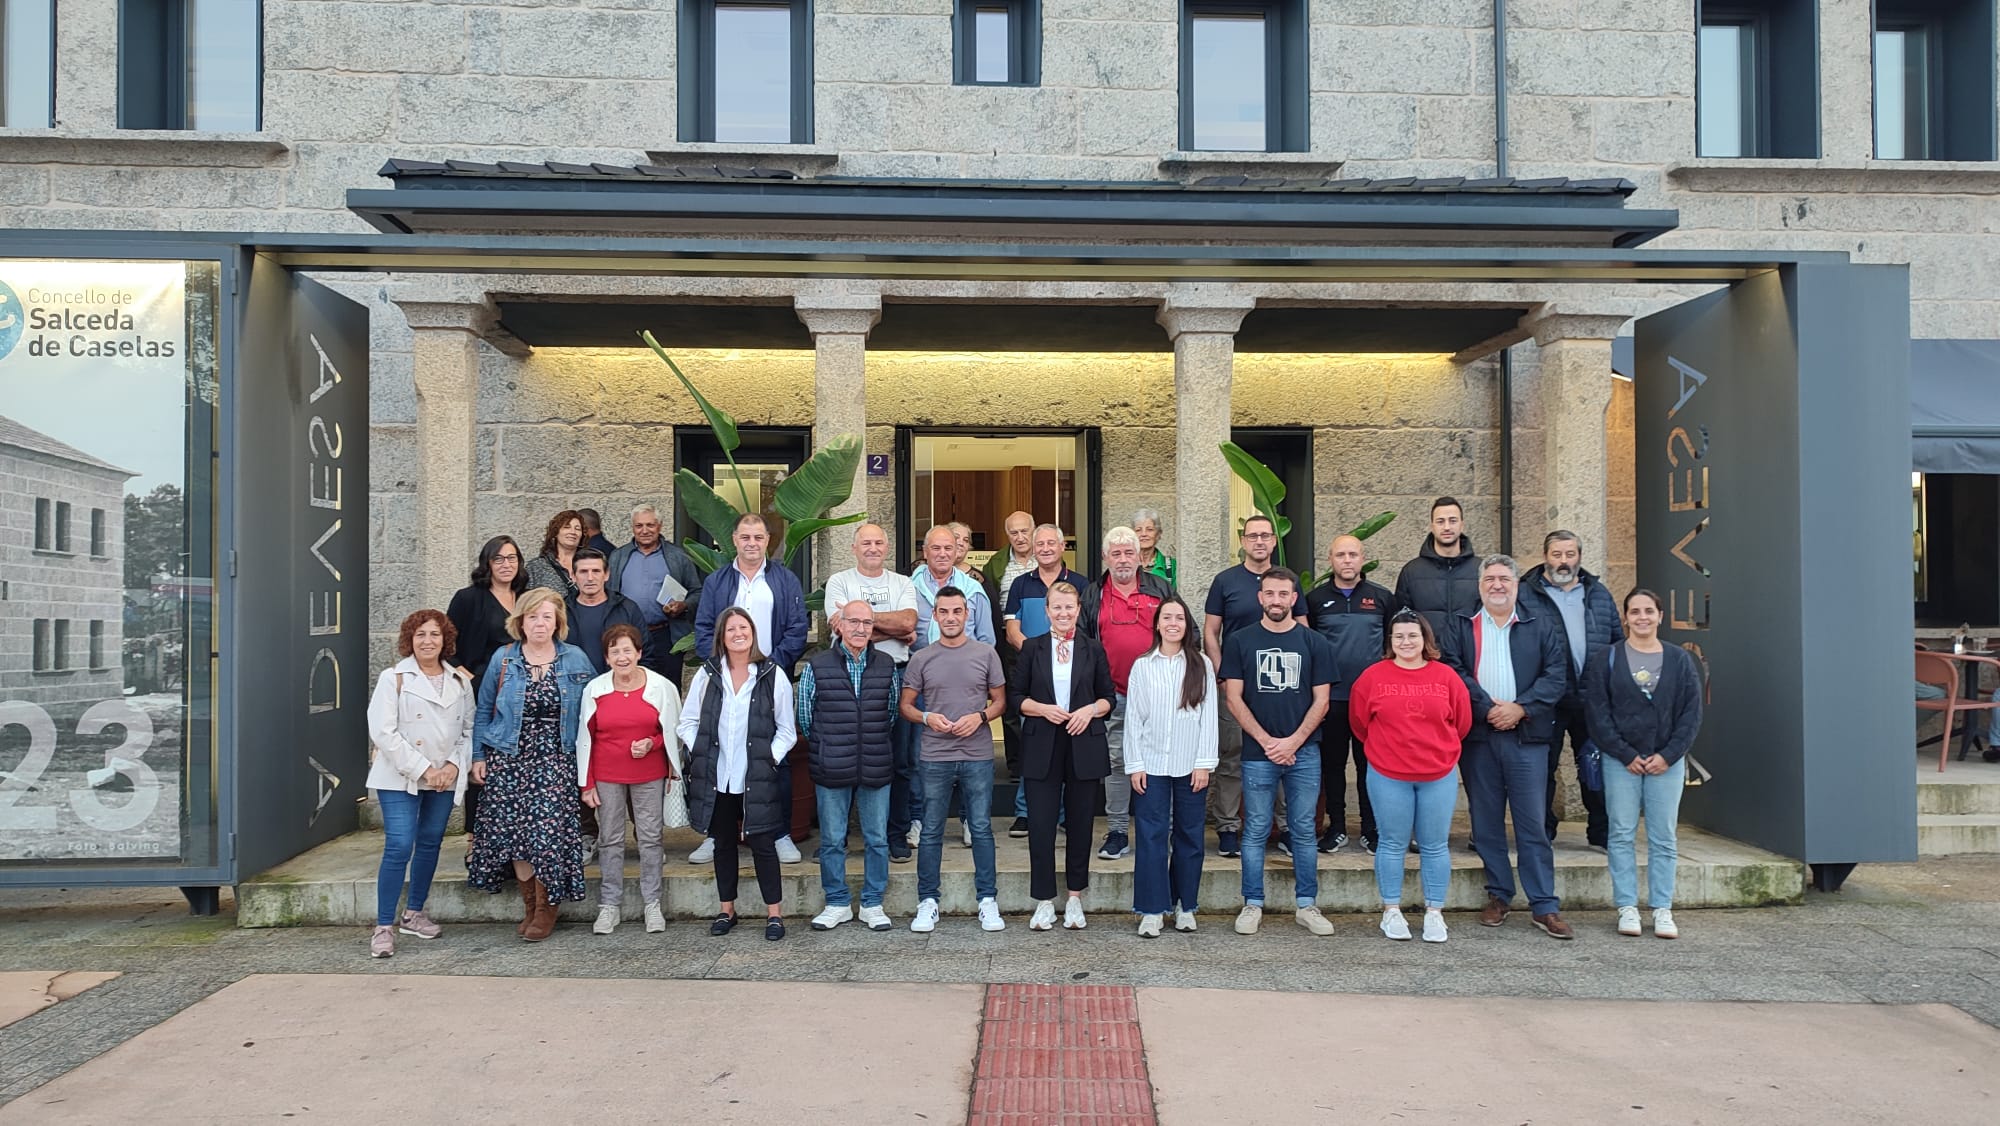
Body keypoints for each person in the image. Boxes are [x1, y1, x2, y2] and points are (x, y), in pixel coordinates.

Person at [1440, 555, 1573, 939]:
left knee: (1532, 823)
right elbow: (1453, 670)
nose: (1497, 585)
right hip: (1480, 737)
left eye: (1504, 579)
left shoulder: (1540, 624)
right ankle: (1499, 895)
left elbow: (1556, 675)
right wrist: (1487, 709)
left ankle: (1544, 905)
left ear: (1516, 584)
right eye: (1490, 579)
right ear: (1480, 585)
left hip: (1526, 737)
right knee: (1486, 824)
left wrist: (1520, 708)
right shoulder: (1462, 624)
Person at [468, 588, 596, 942]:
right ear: (520, 621)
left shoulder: (575, 659)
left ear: (558, 622)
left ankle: (546, 909)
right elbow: (483, 709)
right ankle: (529, 907)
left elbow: (592, 712)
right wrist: (478, 756)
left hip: (555, 758)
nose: (540, 624)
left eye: (547, 617)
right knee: (516, 837)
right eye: (533, 617)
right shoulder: (504, 658)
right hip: (510, 758)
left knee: (546, 836)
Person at [1219, 567, 1336, 937]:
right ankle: (1252, 903)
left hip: (1304, 753)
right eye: (1269, 594)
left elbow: (1322, 701)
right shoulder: (1240, 641)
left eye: (1283, 594)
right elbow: (1232, 697)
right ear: (1260, 598)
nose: (1276, 601)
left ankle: (1307, 905)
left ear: (1293, 598)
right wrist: (1268, 741)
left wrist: (1292, 742)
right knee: (1253, 830)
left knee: (1302, 829)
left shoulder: (1314, 643)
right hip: (1257, 753)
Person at [1584, 589, 1704, 940]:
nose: (1642, 617)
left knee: (1663, 836)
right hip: (1622, 762)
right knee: (1620, 834)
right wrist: (1624, 754)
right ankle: (1627, 907)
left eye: (1649, 611)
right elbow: (1597, 713)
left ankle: (1662, 908)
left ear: (1660, 616)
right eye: (1634, 611)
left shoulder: (1680, 660)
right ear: (1625, 617)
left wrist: (1669, 755)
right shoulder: (1607, 658)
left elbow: (1691, 713)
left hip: (1667, 763)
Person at [692, 513, 809, 865]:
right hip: (725, 679)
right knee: (719, 755)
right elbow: (703, 628)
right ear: (734, 539)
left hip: (768, 680)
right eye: (745, 537)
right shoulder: (717, 581)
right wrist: (720, 667)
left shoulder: (784, 580)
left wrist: (770, 667)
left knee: (776, 756)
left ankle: (781, 833)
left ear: (768, 541)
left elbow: (797, 628)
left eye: (758, 537)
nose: (752, 543)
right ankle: (716, 835)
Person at [1348, 610, 1472, 944]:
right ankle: (1391, 911)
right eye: (1398, 636)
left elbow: (1461, 722)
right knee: (1391, 843)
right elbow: (1360, 723)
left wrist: (1437, 750)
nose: (1406, 642)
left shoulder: (1446, 677)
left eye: (1412, 636)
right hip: (1388, 773)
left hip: (1437, 773)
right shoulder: (1372, 677)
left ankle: (1434, 913)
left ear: (1425, 640)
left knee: (1435, 845)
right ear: (1390, 642)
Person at [679, 606, 799, 941]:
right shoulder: (707, 674)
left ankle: (774, 915)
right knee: (723, 845)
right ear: (722, 635)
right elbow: (687, 722)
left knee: (763, 844)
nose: (737, 634)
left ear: (753, 633)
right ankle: (726, 909)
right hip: (717, 777)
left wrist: (768, 759)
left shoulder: (771, 674)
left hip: (755, 777)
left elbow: (787, 731)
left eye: (743, 627)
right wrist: (702, 750)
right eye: (730, 629)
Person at [365, 609, 475, 958]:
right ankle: (384, 926)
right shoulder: (393, 678)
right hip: (400, 776)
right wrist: (425, 769)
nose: (428, 641)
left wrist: (454, 767)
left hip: (444, 776)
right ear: (409, 640)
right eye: (420, 635)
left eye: (434, 635)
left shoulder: (460, 681)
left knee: (429, 843)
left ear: (446, 640)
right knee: (399, 844)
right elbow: (383, 731)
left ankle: (414, 913)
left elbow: (469, 730)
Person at [901, 586, 1008, 933]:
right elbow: (906, 705)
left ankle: (987, 900)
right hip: (935, 755)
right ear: (934, 615)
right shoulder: (921, 658)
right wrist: (927, 717)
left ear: (968, 614)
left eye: (957, 611)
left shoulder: (986, 653)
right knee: (931, 830)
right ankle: (928, 901)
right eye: (943, 612)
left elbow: (1000, 702)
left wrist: (980, 717)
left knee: (980, 828)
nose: (950, 617)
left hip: (977, 753)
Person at [1012, 582, 1116, 931]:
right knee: (1040, 825)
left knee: (1081, 824)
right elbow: (1015, 697)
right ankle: (1043, 900)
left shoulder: (1093, 648)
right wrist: (1042, 709)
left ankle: (1074, 897)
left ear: (1078, 610)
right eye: (1057, 607)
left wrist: (1090, 710)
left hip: (1083, 741)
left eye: (1069, 607)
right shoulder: (1031, 648)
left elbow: (1108, 698)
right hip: (1043, 742)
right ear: (1046, 611)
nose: (1063, 613)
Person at [1202, 514, 1303, 858]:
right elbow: (1210, 632)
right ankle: (1228, 827)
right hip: (1237, 686)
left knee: (1279, 754)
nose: (1259, 542)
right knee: (1231, 756)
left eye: (1265, 536)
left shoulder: (1286, 581)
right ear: (1243, 542)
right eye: (1252, 536)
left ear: (1274, 541)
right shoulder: (1226, 581)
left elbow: (1302, 631)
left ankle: (1286, 827)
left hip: (1280, 686)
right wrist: (1222, 671)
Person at [799, 600, 902, 932]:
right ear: (838, 625)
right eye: (854, 621)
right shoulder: (817, 665)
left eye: (867, 623)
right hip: (831, 763)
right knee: (831, 839)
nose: (861, 629)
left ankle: (873, 903)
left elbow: (891, 713)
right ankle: (837, 902)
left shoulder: (886, 664)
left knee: (877, 838)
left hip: (874, 760)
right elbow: (805, 716)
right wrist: (828, 744)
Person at [1519, 530, 1622, 848]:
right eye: (1557, 554)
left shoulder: (1598, 593)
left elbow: (1617, 641)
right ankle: (1543, 832)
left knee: (1595, 766)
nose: (1563, 562)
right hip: (1544, 698)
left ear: (1579, 556)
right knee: (1542, 768)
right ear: (1545, 555)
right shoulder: (1525, 593)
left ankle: (1601, 833)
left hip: (1592, 698)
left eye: (1570, 554)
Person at [824, 524, 918, 869]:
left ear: (887, 546)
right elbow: (839, 629)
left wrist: (860, 619)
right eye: (866, 542)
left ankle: (897, 833)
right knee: (846, 757)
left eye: (879, 541)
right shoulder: (838, 581)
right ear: (853, 547)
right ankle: (844, 837)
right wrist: (885, 627)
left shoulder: (901, 583)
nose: (873, 547)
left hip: (895, 673)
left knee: (900, 759)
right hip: (847, 676)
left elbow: (909, 623)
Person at [578, 624, 681, 936]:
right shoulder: (594, 690)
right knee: (610, 840)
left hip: (648, 774)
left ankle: (652, 904)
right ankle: (609, 906)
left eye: (627, 650)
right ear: (607, 658)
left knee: (651, 839)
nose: (622, 657)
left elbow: (673, 731)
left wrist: (653, 744)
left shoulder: (661, 687)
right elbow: (586, 738)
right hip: (607, 774)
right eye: (614, 651)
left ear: (638, 653)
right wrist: (588, 783)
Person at [1124, 596, 1217, 937]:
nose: (1173, 623)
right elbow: (1133, 719)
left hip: (1191, 765)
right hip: (1152, 765)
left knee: (1190, 836)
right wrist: (1135, 765)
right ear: (1158, 624)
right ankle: (1151, 908)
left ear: (1186, 624)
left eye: (1179, 617)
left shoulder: (1201, 665)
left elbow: (1208, 718)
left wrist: (1204, 763)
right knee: (1151, 836)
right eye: (1167, 617)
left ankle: (1185, 905)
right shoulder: (1143, 665)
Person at [1077, 526, 1170, 860]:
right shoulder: (1092, 595)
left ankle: (1159, 829)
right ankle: (1117, 831)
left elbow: (1186, 631)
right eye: (1115, 553)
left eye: (1128, 552)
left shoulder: (1161, 589)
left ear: (1139, 556)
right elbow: (1082, 647)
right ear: (1105, 557)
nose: (1122, 559)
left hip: (1158, 695)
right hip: (1112, 695)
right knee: (1117, 763)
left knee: (1160, 761)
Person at [903, 525, 997, 857]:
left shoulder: (973, 590)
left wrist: (982, 686)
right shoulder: (908, 587)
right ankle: (919, 819)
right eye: (935, 548)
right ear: (925, 551)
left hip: (965, 687)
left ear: (958, 552)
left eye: (948, 548)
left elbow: (987, 639)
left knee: (968, 757)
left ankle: (970, 820)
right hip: (924, 685)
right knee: (921, 758)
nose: (942, 554)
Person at [1304, 534, 1395, 855]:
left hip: (1372, 701)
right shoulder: (1314, 600)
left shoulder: (1382, 598)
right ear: (1330, 559)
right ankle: (1338, 827)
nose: (1347, 560)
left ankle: (1371, 829)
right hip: (1330, 699)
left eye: (1352, 554)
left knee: (1370, 765)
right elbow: (1308, 647)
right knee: (1332, 766)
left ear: (1362, 558)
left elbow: (1393, 645)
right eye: (1340, 554)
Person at [1004, 523, 1088, 834]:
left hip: (1073, 678)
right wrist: (1041, 654)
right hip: (1036, 677)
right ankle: (1026, 812)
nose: (1045, 548)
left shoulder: (1080, 583)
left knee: (1070, 751)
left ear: (1063, 546)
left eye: (1051, 543)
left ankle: (1065, 814)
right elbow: (1012, 629)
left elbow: (1086, 629)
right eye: (1040, 544)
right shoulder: (1020, 584)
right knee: (1033, 749)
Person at [446, 535, 527, 848]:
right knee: (482, 762)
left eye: (512, 558)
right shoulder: (469, 598)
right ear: (487, 564)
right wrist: (464, 672)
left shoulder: (527, 598)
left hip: (523, 691)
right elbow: (447, 640)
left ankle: (513, 839)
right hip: (483, 690)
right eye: (499, 559)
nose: (506, 565)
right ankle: (474, 839)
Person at [605, 503, 702, 687]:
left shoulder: (677, 556)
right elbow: (609, 594)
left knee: (668, 688)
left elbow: (697, 592)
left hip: (665, 634)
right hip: (628, 636)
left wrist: (683, 605)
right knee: (629, 687)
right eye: (639, 526)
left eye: (650, 525)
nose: (644, 530)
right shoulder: (618, 557)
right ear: (632, 528)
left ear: (659, 526)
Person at [994, 510, 1038, 834]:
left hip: (1048, 650)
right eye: (1014, 532)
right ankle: (1016, 765)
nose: (1020, 537)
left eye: (1025, 531)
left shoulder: (1052, 561)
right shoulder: (998, 564)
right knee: (1014, 709)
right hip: (1009, 645)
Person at [1394, 497, 1482, 638]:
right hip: (1428, 657)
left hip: (1471, 656)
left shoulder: (1481, 570)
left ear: (1462, 525)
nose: (1447, 527)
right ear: (1432, 526)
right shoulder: (1411, 572)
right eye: (1440, 521)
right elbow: (1402, 620)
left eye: (1453, 521)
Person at [566, 550, 652, 677]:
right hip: (572, 688)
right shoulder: (561, 611)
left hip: (618, 686)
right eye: (583, 572)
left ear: (606, 575)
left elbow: (646, 653)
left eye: (596, 571)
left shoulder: (627, 608)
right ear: (573, 576)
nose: (590, 578)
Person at [525, 509, 585, 598]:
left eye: (577, 529)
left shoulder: (589, 565)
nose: (573, 532)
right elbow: (526, 602)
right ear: (556, 532)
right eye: (567, 527)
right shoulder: (536, 566)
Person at [1132, 508, 1178, 588]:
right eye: (1138, 530)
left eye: (1149, 529)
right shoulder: (1126, 563)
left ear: (1158, 534)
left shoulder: (1171, 566)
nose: (1144, 534)